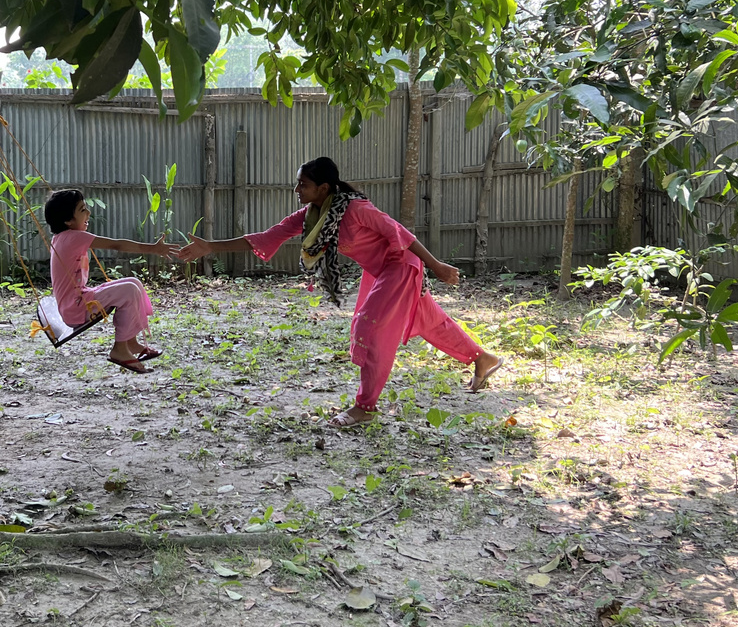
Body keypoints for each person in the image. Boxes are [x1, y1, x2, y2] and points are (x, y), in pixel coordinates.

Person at [178, 157, 503, 426]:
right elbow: (267, 236)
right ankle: (482, 357)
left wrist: (437, 266)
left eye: (302, 185)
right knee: (431, 322)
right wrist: (210, 246)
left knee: (368, 327)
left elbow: (401, 233)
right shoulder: (313, 216)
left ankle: (365, 407)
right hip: (380, 271)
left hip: (401, 266)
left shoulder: (356, 209)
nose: (297, 190)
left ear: (323, 187)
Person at [44, 189, 177, 373]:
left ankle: (131, 342)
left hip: (76, 301)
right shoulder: (73, 237)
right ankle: (119, 350)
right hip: (76, 308)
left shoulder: (61, 238)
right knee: (129, 290)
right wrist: (153, 249)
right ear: (68, 221)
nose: (88, 213)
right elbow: (117, 244)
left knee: (134, 282)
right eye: (83, 210)